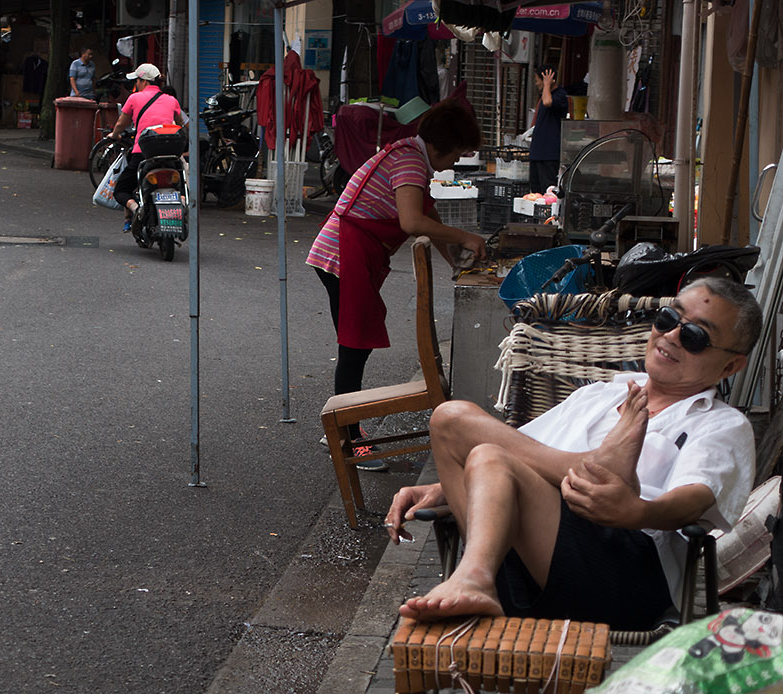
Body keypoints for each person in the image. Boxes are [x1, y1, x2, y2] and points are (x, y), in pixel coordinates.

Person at [387, 278, 760, 630]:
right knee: (453, 423)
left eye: (695, 336)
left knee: (483, 447)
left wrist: (637, 511)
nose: (671, 335)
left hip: (624, 575)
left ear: (730, 365)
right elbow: (518, 454)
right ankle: (581, 472)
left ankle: (473, 576)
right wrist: (442, 488)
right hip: (525, 563)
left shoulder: (721, 424)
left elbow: (694, 499)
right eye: (667, 319)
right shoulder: (599, 395)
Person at [304, 100, 487, 471]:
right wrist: (465, 237)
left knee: (355, 348)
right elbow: (412, 222)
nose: (456, 161)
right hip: (342, 254)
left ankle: (343, 427)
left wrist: (456, 262)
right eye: (457, 152)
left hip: (350, 253)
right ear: (443, 145)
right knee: (354, 348)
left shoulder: (411, 156)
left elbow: (428, 215)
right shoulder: (409, 161)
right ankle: (348, 439)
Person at [105, 63, 182, 232]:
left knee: (121, 190)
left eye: (137, 81)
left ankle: (136, 208)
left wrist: (115, 135)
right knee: (180, 184)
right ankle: (182, 202)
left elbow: (121, 124)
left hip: (143, 154)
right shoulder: (171, 100)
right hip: (171, 155)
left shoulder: (134, 98)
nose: (136, 85)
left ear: (144, 81)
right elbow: (182, 124)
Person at [529, 64, 568, 195]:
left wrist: (546, 84)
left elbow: (547, 102)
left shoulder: (560, 95)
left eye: (538, 80)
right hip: (537, 152)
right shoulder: (546, 95)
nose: (536, 84)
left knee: (548, 190)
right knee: (536, 191)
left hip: (549, 153)